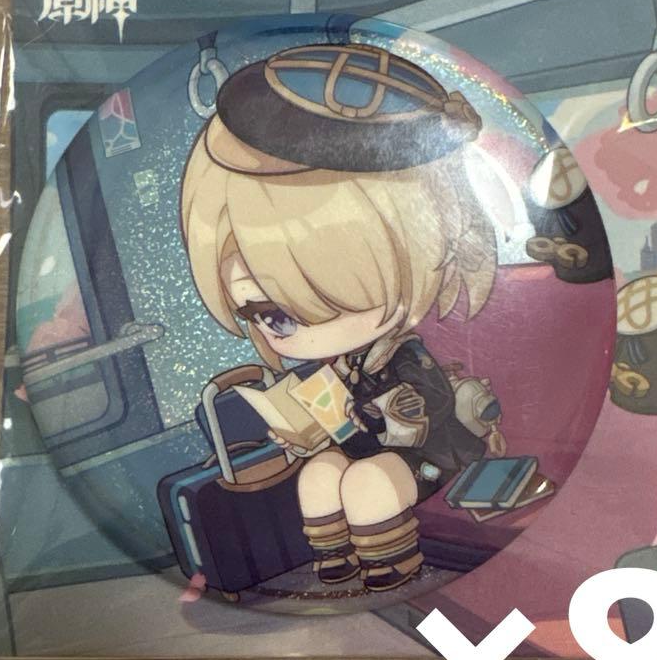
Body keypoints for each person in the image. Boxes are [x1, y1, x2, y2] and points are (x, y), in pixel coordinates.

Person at [180, 42, 498, 591]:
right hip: (365, 446)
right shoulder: (339, 364)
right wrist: (306, 432)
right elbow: (341, 428)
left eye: (331, 298)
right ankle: (334, 560)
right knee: (319, 476)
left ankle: (392, 564)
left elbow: (428, 413)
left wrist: (365, 413)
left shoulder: (403, 355)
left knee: (368, 483)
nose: (293, 329)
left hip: (430, 452)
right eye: (268, 315)